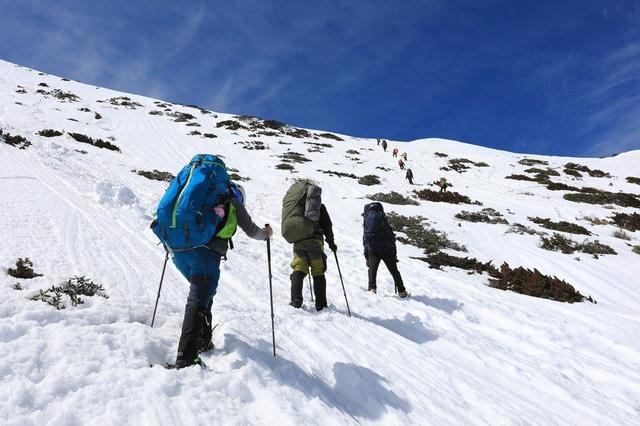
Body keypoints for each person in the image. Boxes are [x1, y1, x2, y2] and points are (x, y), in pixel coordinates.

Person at [171, 182, 273, 369]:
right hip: (205, 253)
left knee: (205, 293)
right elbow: (252, 230)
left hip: (178, 251)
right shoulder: (232, 201)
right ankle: (186, 358)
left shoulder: (200, 196)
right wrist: (266, 234)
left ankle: (203, 339)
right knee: (198, 299)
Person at [281, 180, 336, 311]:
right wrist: (332, 243)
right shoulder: (319, 208)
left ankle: (295, 301)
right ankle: (321, 304)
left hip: (298, 242)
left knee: (299, 268)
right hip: (315, 242)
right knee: (318, 270)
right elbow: (327, 226)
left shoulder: (296, 208)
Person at [362, 202, 408, 298]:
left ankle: (372, 290)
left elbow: (365, 239)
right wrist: (394, 253)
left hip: (373, 250)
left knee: (372, 270)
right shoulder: (382, 218)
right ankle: (402, 291)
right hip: (386, 249)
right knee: (394, 271)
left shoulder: (367, 220)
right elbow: (391, 237)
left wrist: (367, 255)